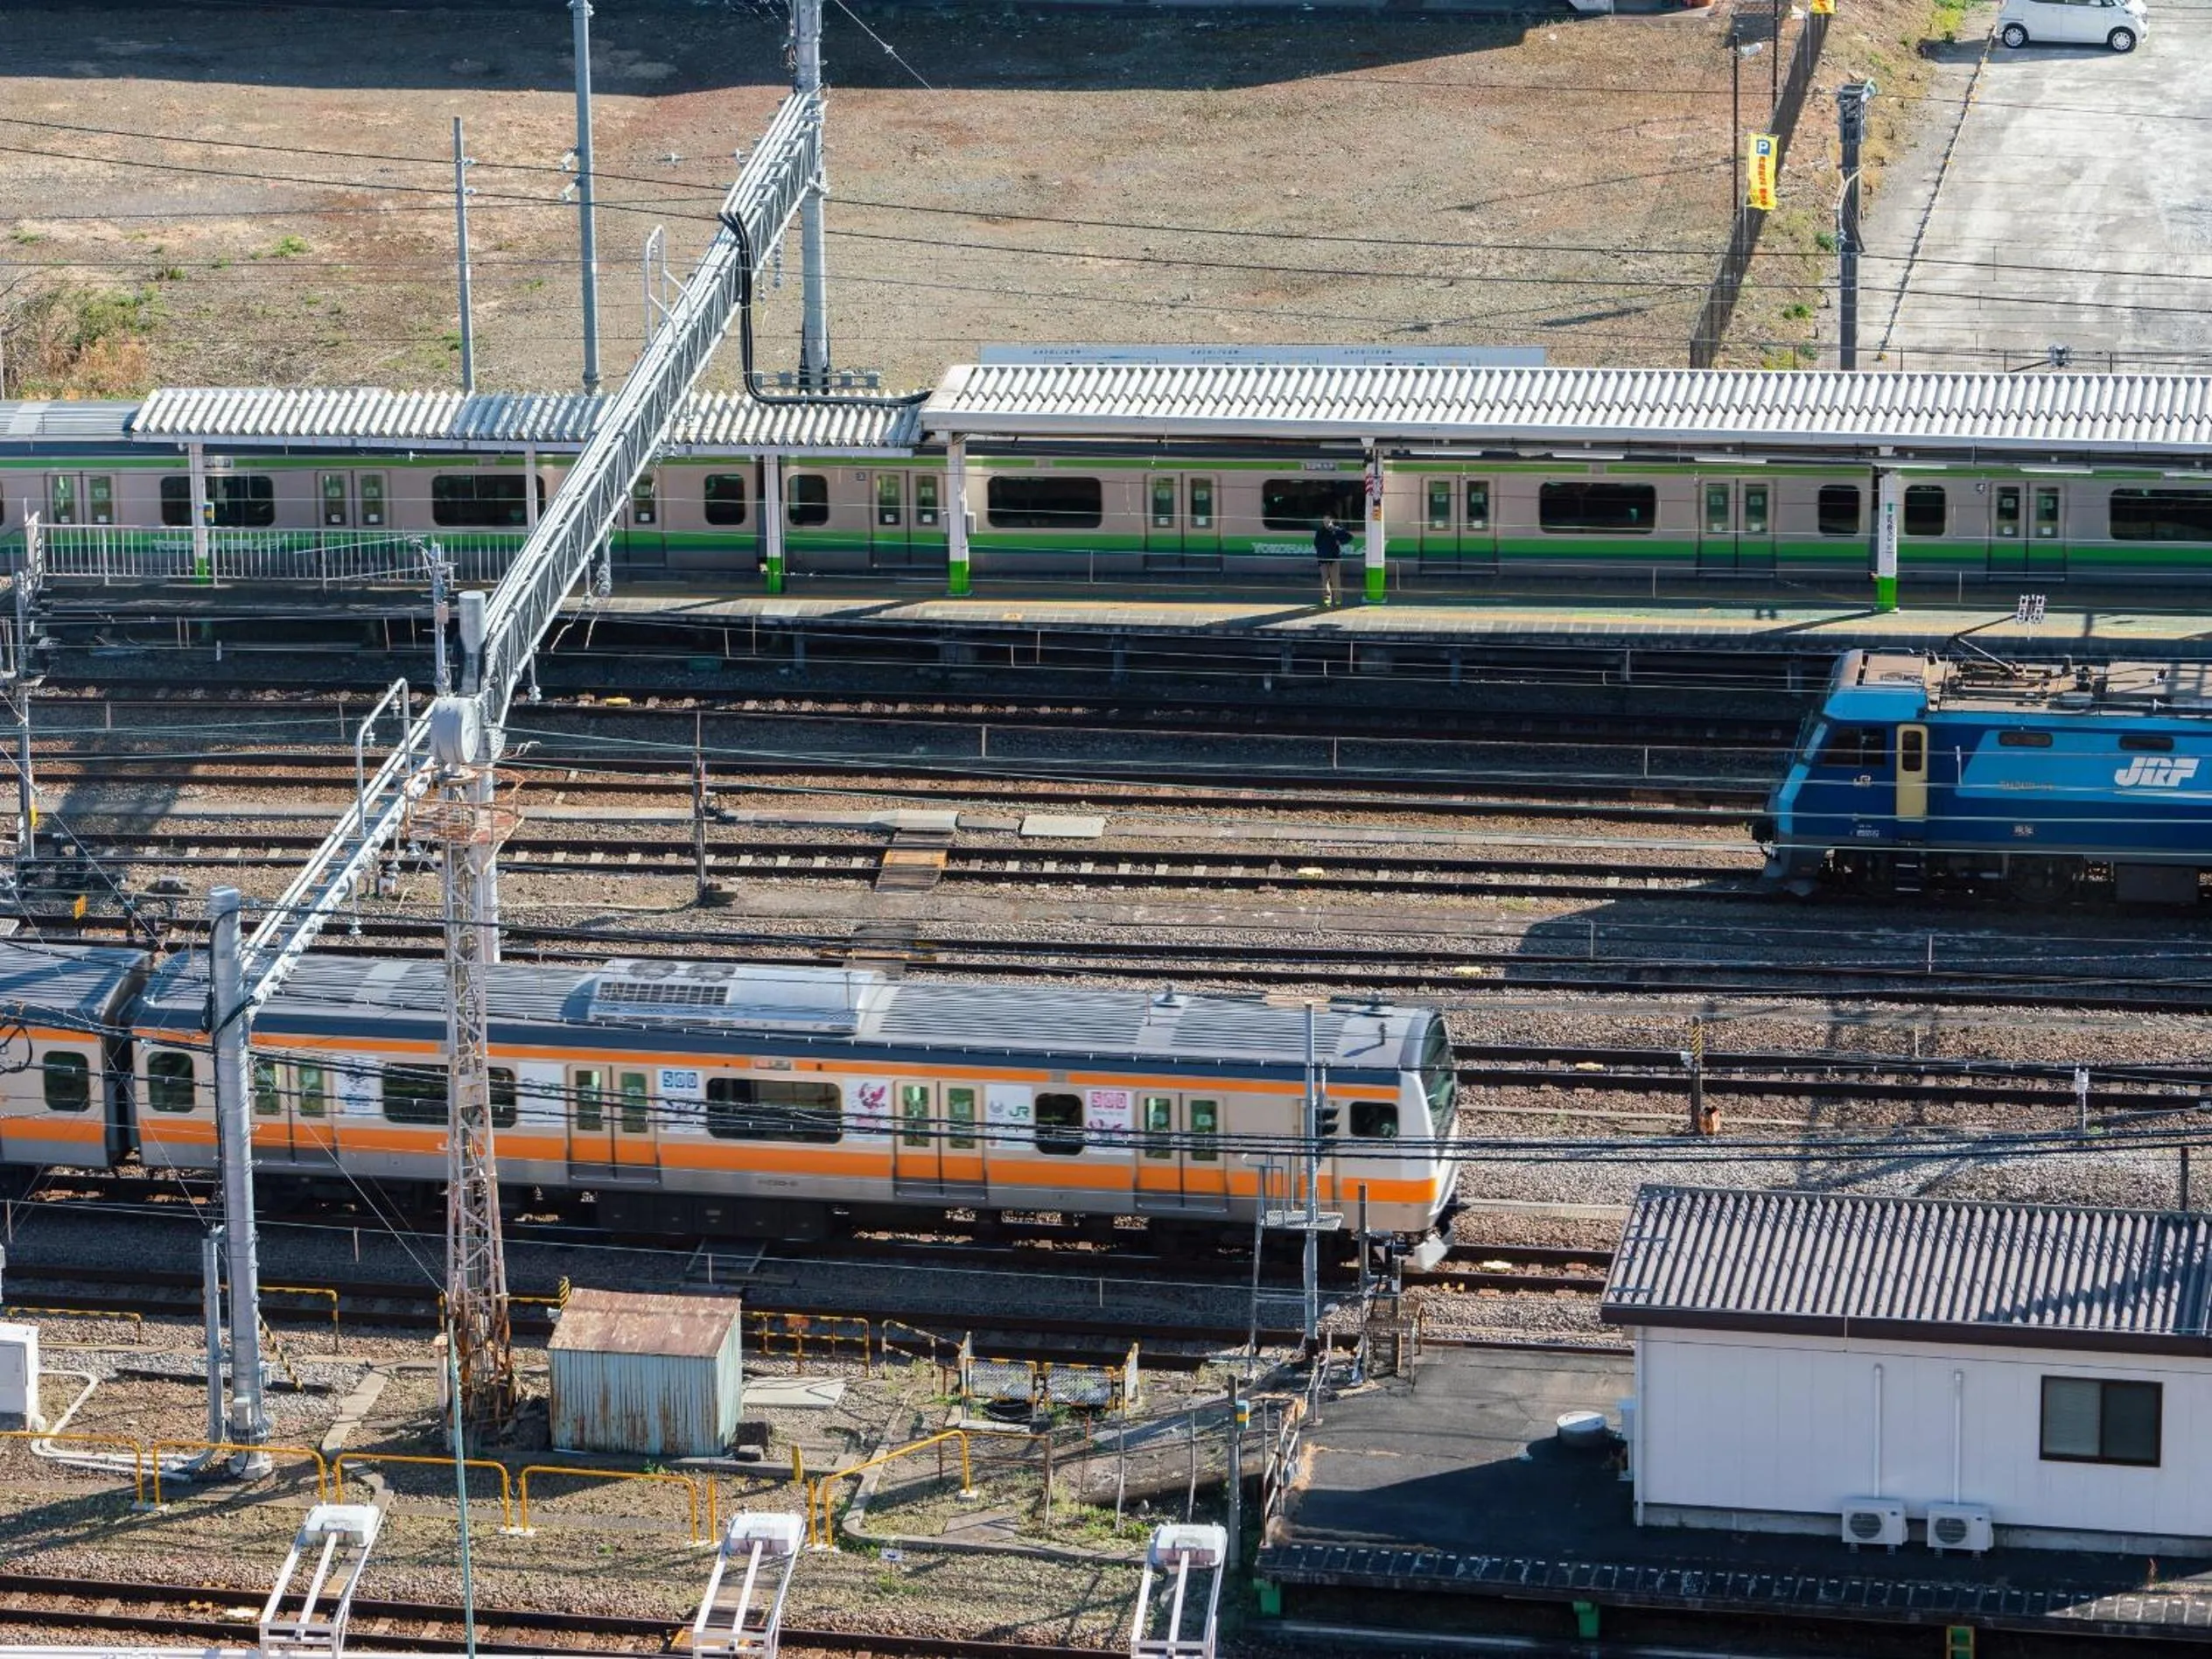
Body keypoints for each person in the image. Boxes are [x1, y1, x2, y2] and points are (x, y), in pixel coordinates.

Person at [1314, 514, 1353, 606]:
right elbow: (1316, 543)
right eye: (1324, 521)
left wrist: (1340, 542)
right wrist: (1320, 553)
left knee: (1335, 581)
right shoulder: (1320, 531)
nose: (1326, 523)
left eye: (1328, 521)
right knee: (1325, 581)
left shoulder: (1337, 530)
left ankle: (1338, 600)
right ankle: (1327, 600)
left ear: (1332, 521)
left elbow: (1349, 537)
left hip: (1334, 559)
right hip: (1323, 560)